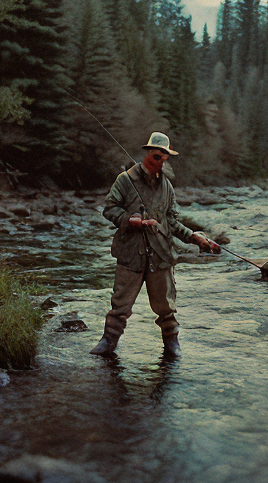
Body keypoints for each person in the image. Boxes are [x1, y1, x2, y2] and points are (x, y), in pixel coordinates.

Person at [90, 132, 221, 358]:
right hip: (131, 254)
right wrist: (130, 220)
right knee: (120, 306)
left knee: (166, 307)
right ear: (148, 153)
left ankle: (171, 343)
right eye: (155, 155)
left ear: (167, 158)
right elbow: (109, 208)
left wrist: (195, 237)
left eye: (163, 157)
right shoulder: (125, 179)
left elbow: (171, 221)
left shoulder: (167, 187)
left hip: (160, 254)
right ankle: (108, 341)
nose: (159, 160)